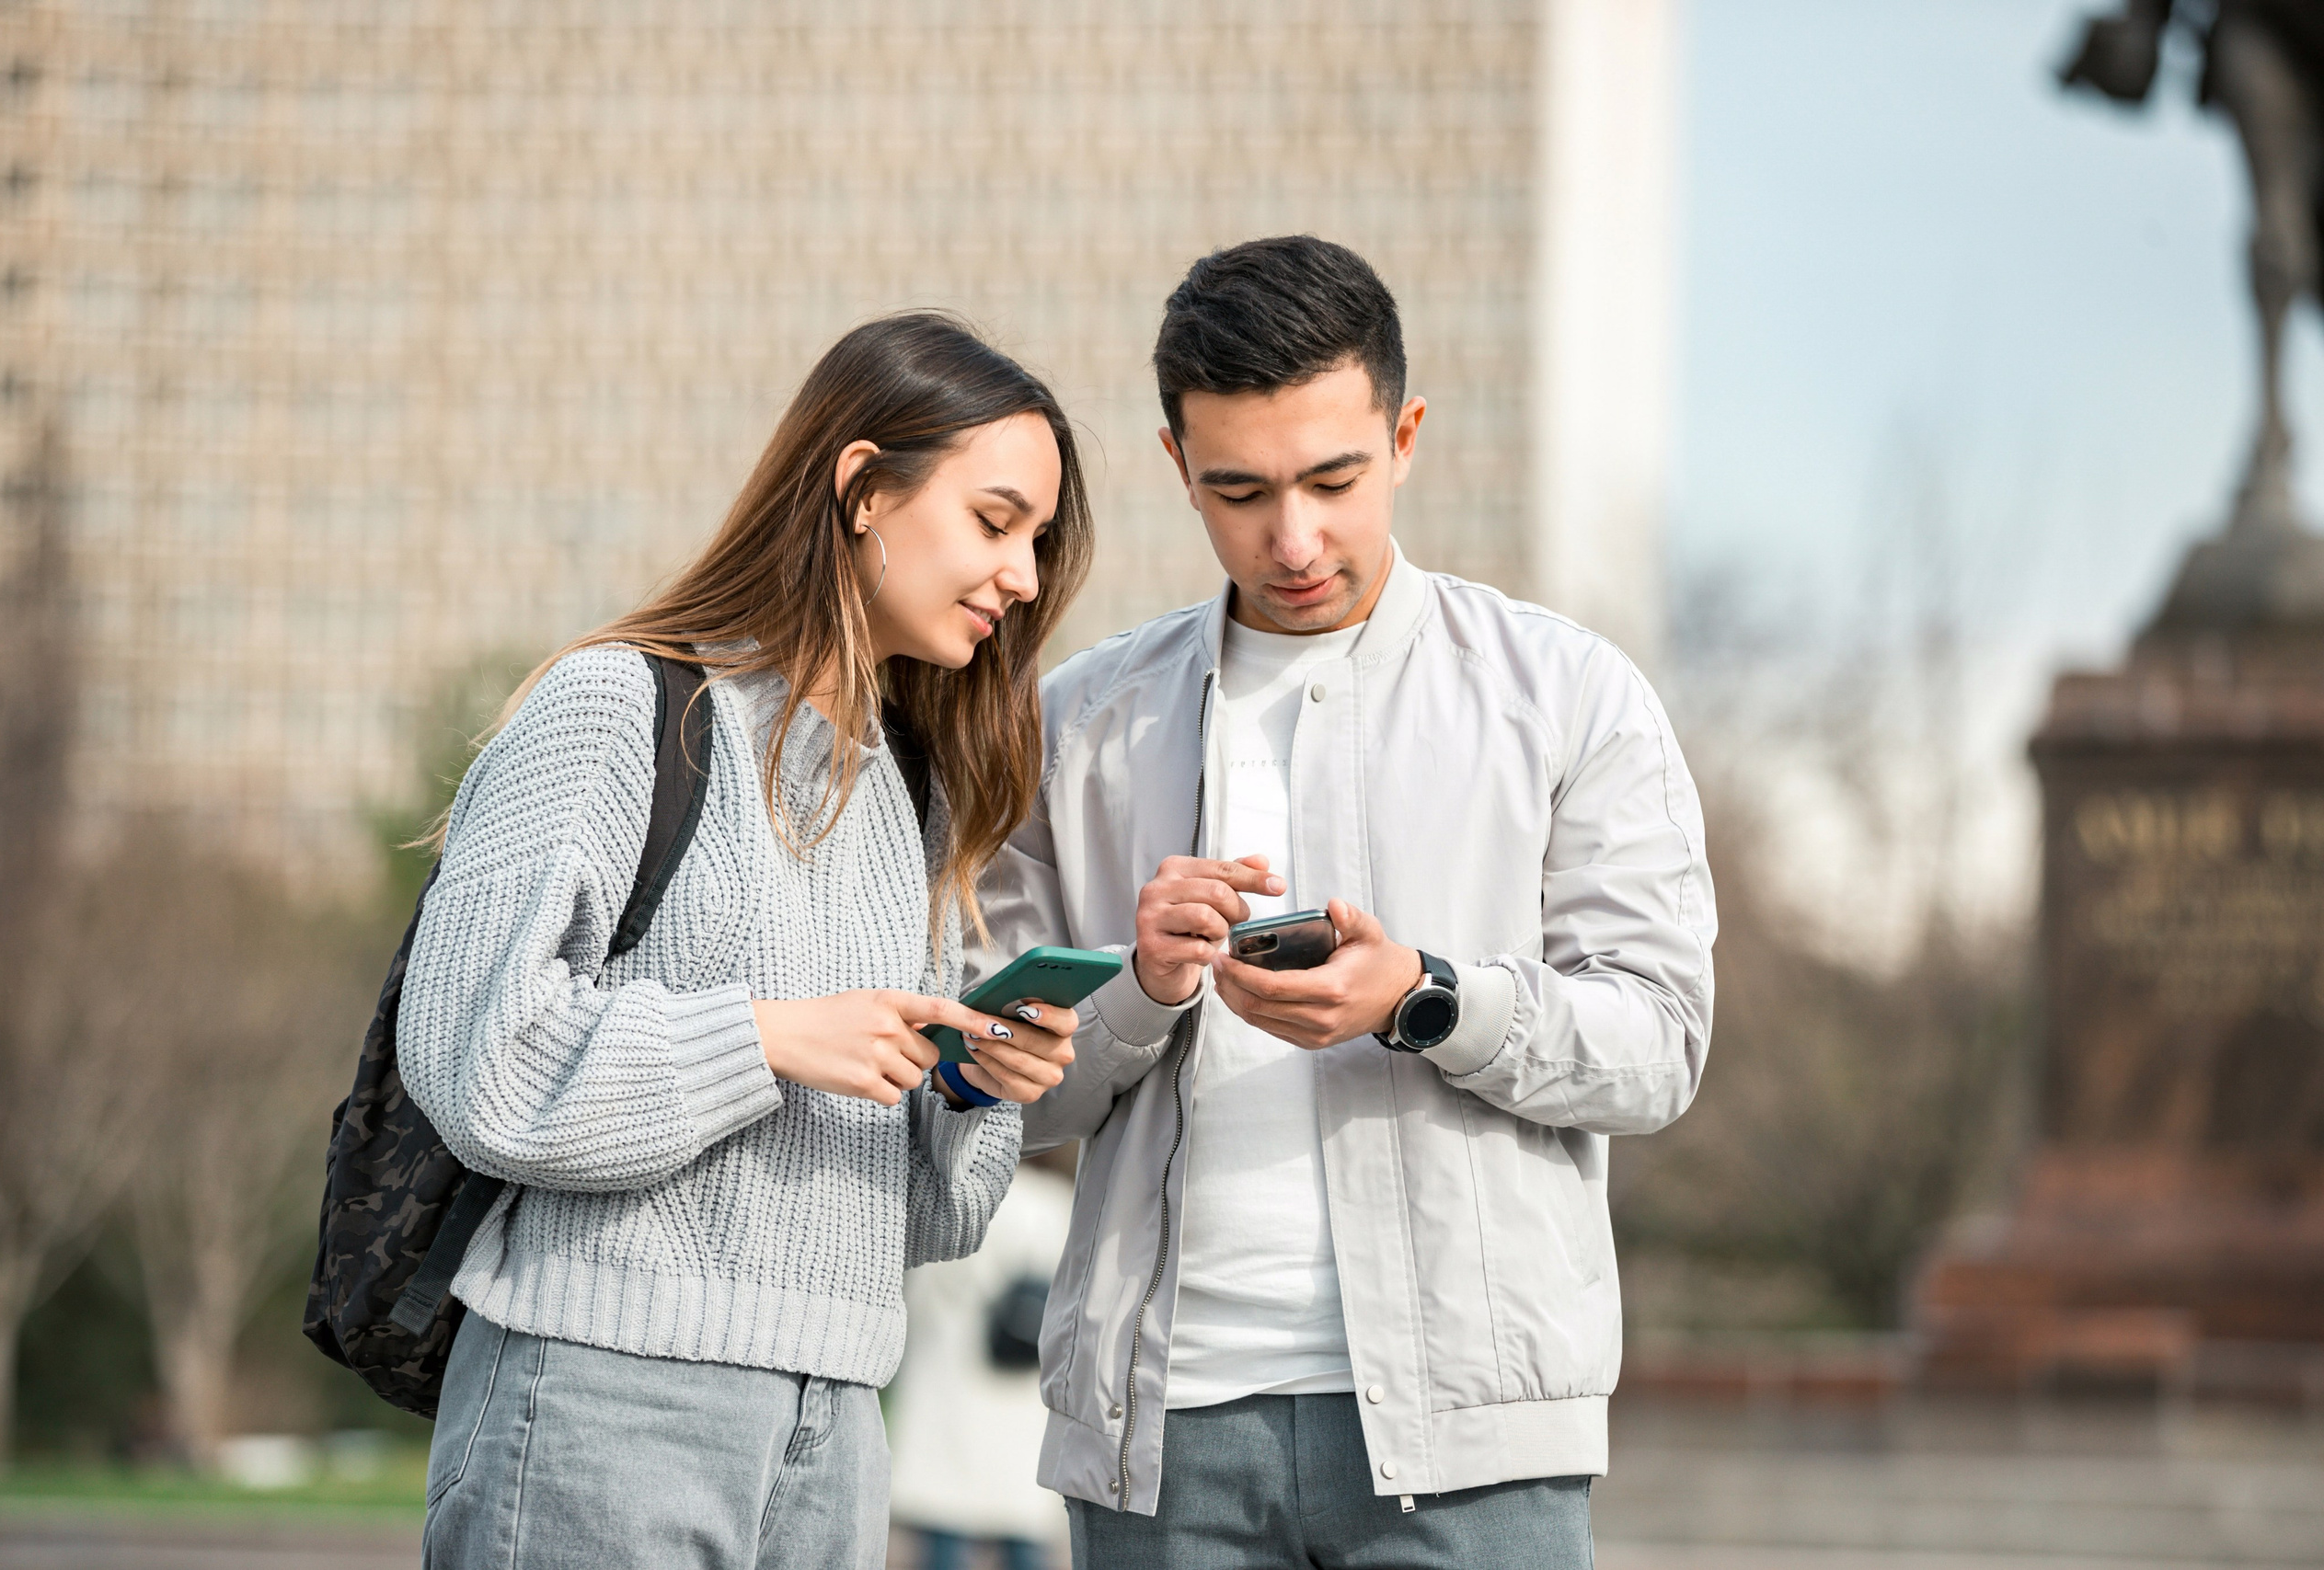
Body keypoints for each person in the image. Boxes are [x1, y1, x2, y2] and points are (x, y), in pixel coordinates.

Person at [975, 237, 1717, 1567]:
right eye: (1240, 491)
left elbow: (1659, 1044)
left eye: (1333, 479)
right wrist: (1138, 993)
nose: (1294, 538)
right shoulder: (1074, 726)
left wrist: (1426, 997)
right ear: (1176, 465)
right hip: (1159, 1445)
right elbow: (1002, 1098)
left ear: (1406, 435)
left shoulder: (1568, 694)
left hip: (1473, 1448)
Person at [397, 313, 1090, 1568]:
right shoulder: (620, 707)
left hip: (839, 1431)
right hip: (601, 1401)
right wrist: (766, 1039)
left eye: (1037, 540)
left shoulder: (913, 791)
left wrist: (971, 1086)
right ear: (864, 488)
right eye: (996, 522)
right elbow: (476, 1065)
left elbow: (926, 1220)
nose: (1026, 576)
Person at [888, 1154, 1076, 1570]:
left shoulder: (951, 1193)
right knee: (1020, 1533)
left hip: (947, 1383)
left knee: (944, 1524)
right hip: (1021, 1392)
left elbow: (917, 1295)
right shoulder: (1056, 1204)